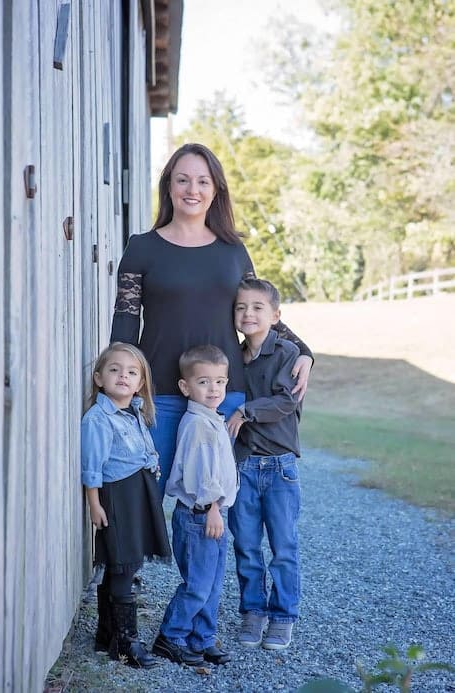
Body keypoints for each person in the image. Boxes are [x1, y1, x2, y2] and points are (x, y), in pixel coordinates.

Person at [110, 142, 313, 492]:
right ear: (169, 186)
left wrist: (304, 351)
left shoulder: (233, 250)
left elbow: (258, 312)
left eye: (203, 181)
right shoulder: (141, 247)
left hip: (222, 394)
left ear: (216, 189)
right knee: (147, 498)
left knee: (210, 507)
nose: (193, 190)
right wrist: (122, 393)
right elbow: (125, 327)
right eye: (183, 180)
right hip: (157, 396)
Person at [81, 342, 171, 668]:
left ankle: (107, 634)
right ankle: (126, 642)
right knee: (122, 563)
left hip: (138, 494)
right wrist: (94, 502)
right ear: (99, 377)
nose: (123, 376)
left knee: (128, 563)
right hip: (117, 496)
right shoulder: (98, 419)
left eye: (132, 372)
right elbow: (92, 465)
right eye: (115, 369)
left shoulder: (135, 413)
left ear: (140, 383)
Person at [227, 278, 304, 651]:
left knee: (283, 546)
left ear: (275, 315)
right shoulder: (233, 358)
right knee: (245, 545)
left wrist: (246, 411)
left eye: (257, 307)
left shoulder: (288, 353)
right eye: (241, 307)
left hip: (279, 467)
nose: (248, 313)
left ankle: (283, 617)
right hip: (242, 466)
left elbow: (286, 400)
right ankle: (253, 612)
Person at [152, 345, 237, 667]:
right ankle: (170, 637)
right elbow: (202, 475)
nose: (213, 389)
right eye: (204, 382)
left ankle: (201, 638)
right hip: (200, 515)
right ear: (185, 387)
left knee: (213, 584)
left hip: (214, 514)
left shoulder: (212, 418)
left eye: (219, 381)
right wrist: (213, 507)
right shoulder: (198, 425)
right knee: (199, 584)